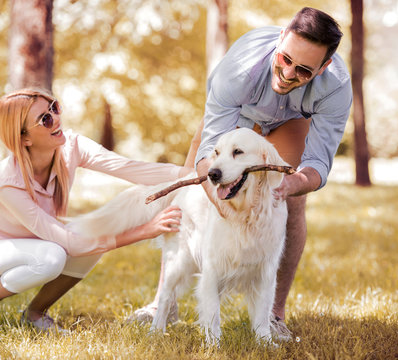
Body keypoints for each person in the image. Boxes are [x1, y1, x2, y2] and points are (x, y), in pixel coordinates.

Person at [128, 7, 352, 341]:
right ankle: (164, 301)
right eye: (285, 59)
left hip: (291, 121)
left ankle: (272, 316)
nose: (288, 74)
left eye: (304, 70)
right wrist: (222, 206)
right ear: (280, 39)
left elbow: (317, 165)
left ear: (324, 67)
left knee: (291, 201)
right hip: (234, 120)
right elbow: (208, 157)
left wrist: (291, 184)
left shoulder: (336, 88)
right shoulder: (239, 69)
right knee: (188, 200)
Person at [0, 88, 192, 338]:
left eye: (54, 108)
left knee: (93, 234)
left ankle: (35, 314)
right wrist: (144, 231)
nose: (56, 118)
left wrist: (189, 174)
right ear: (24, 139)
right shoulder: (7, 181)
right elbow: (70, 244)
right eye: (45, 119)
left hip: (23, 245)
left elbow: (131, 169)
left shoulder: (70, 146)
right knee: (53, 256)